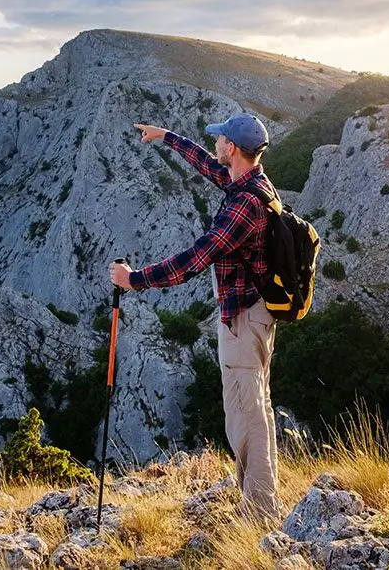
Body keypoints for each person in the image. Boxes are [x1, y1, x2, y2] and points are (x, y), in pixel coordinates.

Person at [109, 113, 281, 521]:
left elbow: (195, 258)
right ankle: (257, 498)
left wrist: (135, 280)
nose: (216, 142)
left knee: (247, 411)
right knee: (252, 405)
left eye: (221, 138)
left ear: (233, 149)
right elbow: (207, 164)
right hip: (252, 315)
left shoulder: (244, 205)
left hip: (243, 320)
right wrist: (167, 137)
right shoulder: (251, 181)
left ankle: (260, 509)